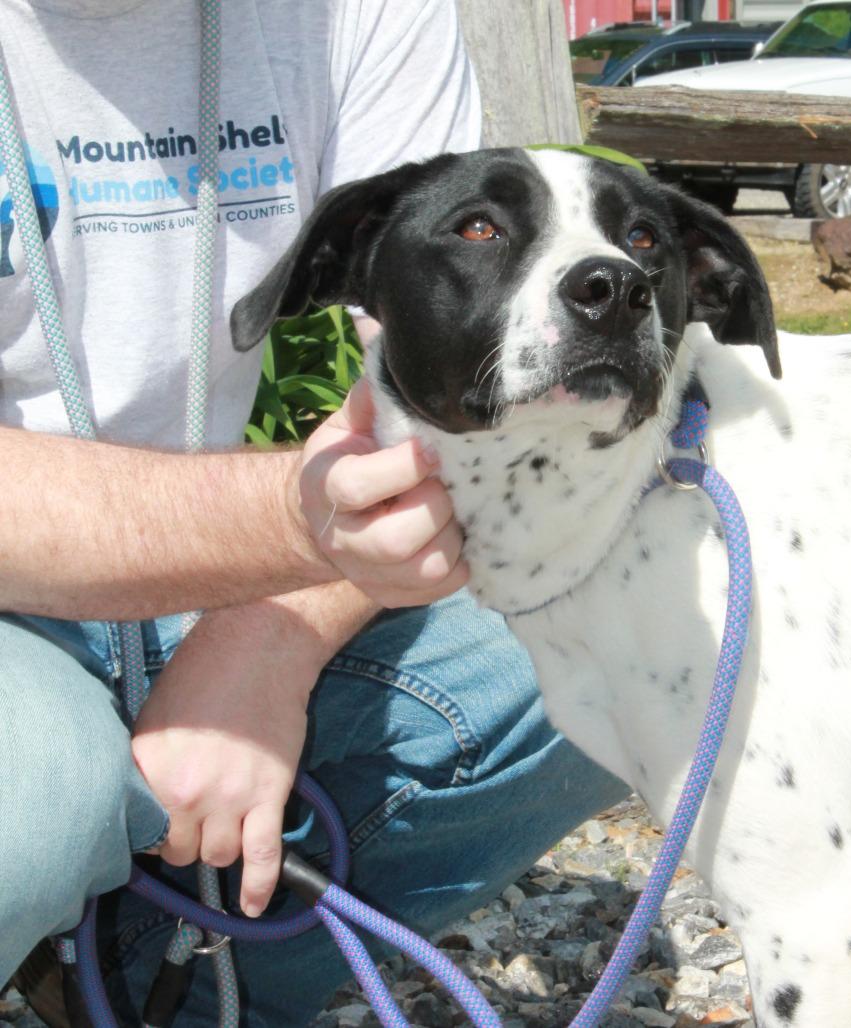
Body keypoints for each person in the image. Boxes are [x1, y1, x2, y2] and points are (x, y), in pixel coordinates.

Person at [0, 1, 628, 1024]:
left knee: (616, 640)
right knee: (34, 794)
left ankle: (152, 982)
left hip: (210, 579)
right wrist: (293, 531)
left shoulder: (354, 12)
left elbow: (466, 378)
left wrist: (270, 636)